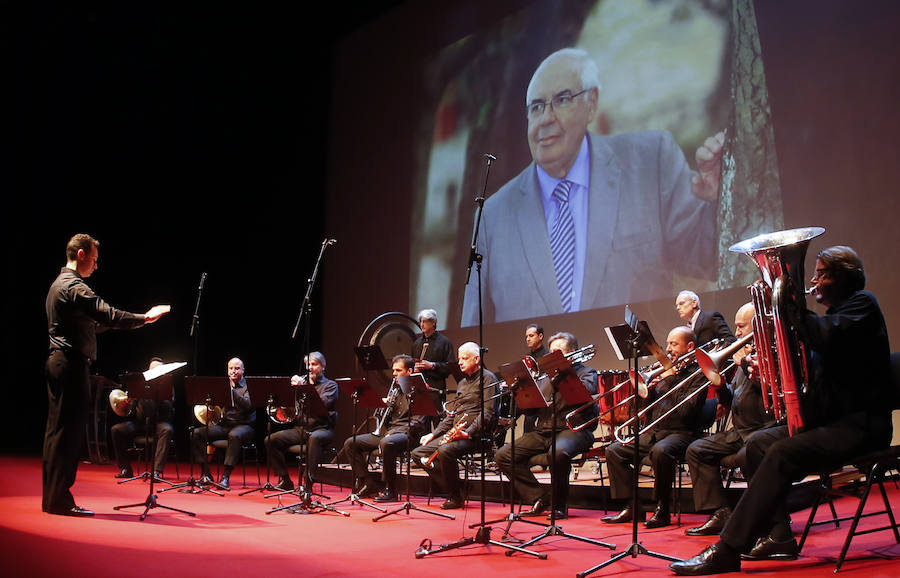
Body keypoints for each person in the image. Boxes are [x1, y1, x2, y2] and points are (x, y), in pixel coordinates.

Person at [461, 47, 725, 326]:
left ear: (591, 102)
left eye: (562, 99)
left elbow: (705, 258)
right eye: (537, 107)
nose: (546, 118)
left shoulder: (650, 162)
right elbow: (473, 329)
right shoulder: (493, 216)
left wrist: (721, 198)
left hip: (637, 365)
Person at [671, 246, 894, 575]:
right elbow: (816, 374)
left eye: (822, 274)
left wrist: (786, 303)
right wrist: (771, 373)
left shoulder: (862, 305)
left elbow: (824, 336)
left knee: (779, 452)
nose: (815, 280)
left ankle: (728, 549)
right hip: (831, 421)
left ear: (848, 277)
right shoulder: (833, 318)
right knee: (758, 445)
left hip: (860, 426)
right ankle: (779, 536)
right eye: (814, 273)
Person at [43, 233, 170, 516]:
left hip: (58, 364)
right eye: (94, 259)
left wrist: (120, 322)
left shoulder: (58, 285)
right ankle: (59, 500)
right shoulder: (75, 287)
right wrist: (145, 318)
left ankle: (52, 498)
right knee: (68, 434)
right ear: (81, 255)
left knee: (57, 432)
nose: (96, 266)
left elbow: (96, 324)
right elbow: (107, 314)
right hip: (71, 366)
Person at [682, 303, 776, 536]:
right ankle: (720, 513)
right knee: (696, 450)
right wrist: (720, 385)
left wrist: (744, 362)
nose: (736, 332)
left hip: (763, 429)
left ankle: (764, 519)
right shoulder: (746, 355)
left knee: (749, 454)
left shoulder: (770, 353)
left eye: (741, 326)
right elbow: (733, 396)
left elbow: (771, 392)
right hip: (740, 432)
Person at [602, 326, 709, 528]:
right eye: (668, 343)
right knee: (614, 450)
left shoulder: (699, 374)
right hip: (654, 433)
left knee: (661, 452)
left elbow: (688, 412)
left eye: (674, 344)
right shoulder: (660, 371)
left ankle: (663, 509)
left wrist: (669, 380)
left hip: (682, 434)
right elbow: (640, 411)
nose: (668, 349)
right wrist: (644, 392)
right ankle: (632, 506)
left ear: (690, 346)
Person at [495, 331, 597, 520]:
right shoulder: (545, 378)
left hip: (574, 429)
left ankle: (559, 506)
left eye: (556, 353)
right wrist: (522, 394)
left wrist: (563, 375)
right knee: (503, 455)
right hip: (545, 430)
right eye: (550, 353)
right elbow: (532, 411)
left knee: (557, 453)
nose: (550, 358)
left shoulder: (587, 372)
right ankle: (539, 499)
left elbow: (586, 395)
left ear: (572, 352)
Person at [410, 342, 497, 510]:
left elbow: (488, 413)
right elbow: (452, 417)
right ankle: (459, 486)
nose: (460, 362)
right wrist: (433, 434)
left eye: (464, 358)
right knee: (417, 453)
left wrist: (469, 432)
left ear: (477, 359)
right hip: (457, 433)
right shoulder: (462, 383)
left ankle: (455, 496)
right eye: (459, 359)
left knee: (445, 451)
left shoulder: (488, 378)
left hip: (477, 436)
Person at [341, 354, 427, 502]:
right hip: (387, 433)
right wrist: (383, 407)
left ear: (409, 372)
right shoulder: (395, 390)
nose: (394, 374)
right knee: (351, 443)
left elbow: (418, 423)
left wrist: (392, 432)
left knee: (387, 443)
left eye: (398, 370)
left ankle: (391, 490)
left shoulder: (419, 392)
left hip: (407, 434)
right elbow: (384, 419)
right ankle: (368, 482)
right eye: (393, 370)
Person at [265, 351, 338, 491]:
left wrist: (302, 389)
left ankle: (308, 484)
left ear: (323, 366)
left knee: (314, 439)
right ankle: (285, 480)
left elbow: (321, 406)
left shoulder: (331, 386)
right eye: (308, 364)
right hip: (301, 429)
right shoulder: (301, 382)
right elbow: (289, 407)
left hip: (322, 429)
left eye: (314, 364)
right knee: (270, 440)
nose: (310, 368)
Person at [190, 357, 255, 490]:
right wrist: (211, 406)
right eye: (231, 368)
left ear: (243, 370)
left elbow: (248, 405)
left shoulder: (249, 386)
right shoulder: (223, 385)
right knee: (197, 433)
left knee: (234, 435)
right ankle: (206, 474)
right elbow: (216, 410)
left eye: (237, 368)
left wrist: (232, 392)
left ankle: (225, 477)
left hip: (244, 426)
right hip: (225, 425)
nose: (233, 371)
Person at [111, 357, 175, 480]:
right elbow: (132, 409)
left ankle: (156, 471)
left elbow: (169, 406)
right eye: (152, 369)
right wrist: (127, 402)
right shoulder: (140, 383)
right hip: (141, 423)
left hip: (159, 422)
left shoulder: (167, 385)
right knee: (116, 429)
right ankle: (125, 468)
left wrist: (158, 395)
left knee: (167, 430)